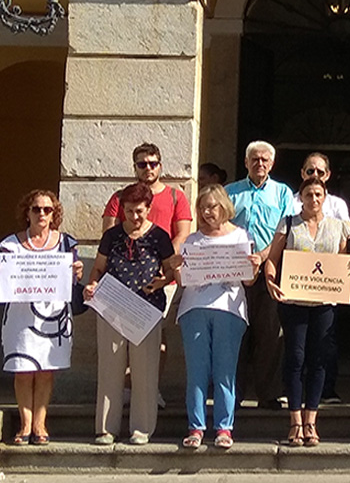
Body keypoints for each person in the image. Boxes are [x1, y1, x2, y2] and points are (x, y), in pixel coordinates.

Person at [264, 177, 350, 447]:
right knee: (295, 358)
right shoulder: (289, 223)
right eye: (309, 194)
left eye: (318, 194)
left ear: (325, 197)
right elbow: (272, 259)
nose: (314, 199)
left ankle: (311, 421)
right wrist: (271, 280)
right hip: (294, 302)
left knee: (319, 360)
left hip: (324, 303)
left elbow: (341, 260)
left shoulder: (338, 227)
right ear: (302, 197)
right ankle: (294, 420)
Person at [83, 183, 181, 446]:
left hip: (145, 311)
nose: (134, 217)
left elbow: (171, 271)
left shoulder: (159, 236)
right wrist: (92, 284)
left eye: (139, 211)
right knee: (110, 370)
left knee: (145, 372)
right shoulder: (112, 236)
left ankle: (142, 428)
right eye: (129, 211)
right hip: (111, 308)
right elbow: (99, 268)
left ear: (148, 209)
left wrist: (162, 281)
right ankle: (106, 428)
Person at [0, 190, 83, 446]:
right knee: (23, 371)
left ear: (55, 214)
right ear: (26, 213)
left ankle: (40, 424)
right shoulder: (10, 244)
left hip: (53, 316)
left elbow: (73, 278)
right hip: (20, 317)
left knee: (46, 372)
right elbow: (2, 277)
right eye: (36, 209)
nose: (42, 214)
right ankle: (25, 424)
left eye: (47, 210)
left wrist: (77, 272)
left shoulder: (67, 243)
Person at [102, 142, 192, 409]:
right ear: (135, 167)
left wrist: (162, 264)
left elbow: (183, 234)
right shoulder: (119, 198)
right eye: (142, 164)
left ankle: (150, 388)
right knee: (121, 340)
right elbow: (109, 235)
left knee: (157, 339)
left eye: (153, 163)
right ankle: (124, 392)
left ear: (160, 165)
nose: (148, 168)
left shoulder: (176, 197)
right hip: (123, 281)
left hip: (162, 280)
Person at [177, 185, 254, 450]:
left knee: (225, 371)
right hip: (194, 309)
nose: (208, 212)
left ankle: (224, 427)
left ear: (224, 206)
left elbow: (249, 279)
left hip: (228, 310)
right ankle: (196, 427)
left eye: (213, 206)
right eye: (203, 207)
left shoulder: (239, 236)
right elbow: (182, 279)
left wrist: (251, 266)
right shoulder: (192, 240)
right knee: (197, 372)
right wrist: (178, 269)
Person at [226, 140, 295, 409]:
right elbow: (220, 226)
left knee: (270, 335)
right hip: (234, 272)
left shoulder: (282, 193)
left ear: (272, 163)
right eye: (255, 159)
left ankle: (268, 393)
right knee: (235, 334)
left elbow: (286, 232)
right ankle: (234, 393)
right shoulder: (230, 192)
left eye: (265, 159)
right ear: (246, 162)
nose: (260, 163)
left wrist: (262, 258)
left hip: (270, 271)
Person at [293, 152, 350, 404]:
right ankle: (295, 392)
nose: (315, 176)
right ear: (302, 173)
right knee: (296, 347)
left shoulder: (338, 205)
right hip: (296, 284)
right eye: (310, 171)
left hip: (326, 283)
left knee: (325, 341)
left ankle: (326, 389)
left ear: (327, 175)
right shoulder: (292, 202)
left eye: (319, 172)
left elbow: (344, 242)